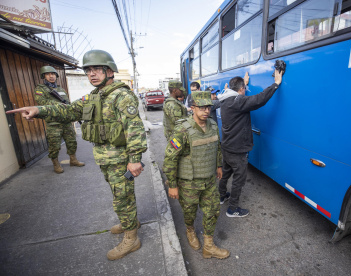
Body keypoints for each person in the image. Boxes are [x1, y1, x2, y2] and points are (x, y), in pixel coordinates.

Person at [7, 50, 147, 261]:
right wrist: (39, 109)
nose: (91, 74)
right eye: (88, 70)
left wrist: (135, 159)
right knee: (119, 195)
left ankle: (132, 238)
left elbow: (134, 128)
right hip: (105, 157)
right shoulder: (94, 96)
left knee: (122, 198)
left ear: (109, 71)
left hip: (120, 159)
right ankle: (130, 222)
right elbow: (69, 110)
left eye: (96, 69)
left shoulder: (122, 95)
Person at [163, 91, 230, 260]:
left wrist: (219, 165)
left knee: (212, 211)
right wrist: (172, 184)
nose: (206, 111)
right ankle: (190, 230)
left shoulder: (213, 125)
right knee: (189, 211)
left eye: (208, 107)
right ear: (193, 108)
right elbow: (170, 158)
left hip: (209, 180)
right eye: (201, 107)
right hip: (188, 183)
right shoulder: (182, 130)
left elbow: (217, 147)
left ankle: (209, 246)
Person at [218, 70, 283, 218]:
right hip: (237, 149)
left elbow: (239, 97)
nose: (245, 91)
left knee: (226, 173)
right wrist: (276, 84)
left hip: (227, 146)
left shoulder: (224, 99)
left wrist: (244, 83)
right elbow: (259, 99)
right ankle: (232, 209)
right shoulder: (237, 101)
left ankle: (222, 196)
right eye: (244, 89)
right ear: (241, 90)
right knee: (238, 179)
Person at [34, 66, 85, 173]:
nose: (51, 76)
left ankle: (73, 160)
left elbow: (67, 103)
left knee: (71, 141)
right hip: (53, 122)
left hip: (65, 121)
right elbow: (42, 102)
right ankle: (56, 164)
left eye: (53, 74)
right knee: (54, 145)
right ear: (43, 76)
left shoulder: (60, 89)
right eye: (48, 74)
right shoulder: (40, 89)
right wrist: (60, 104)